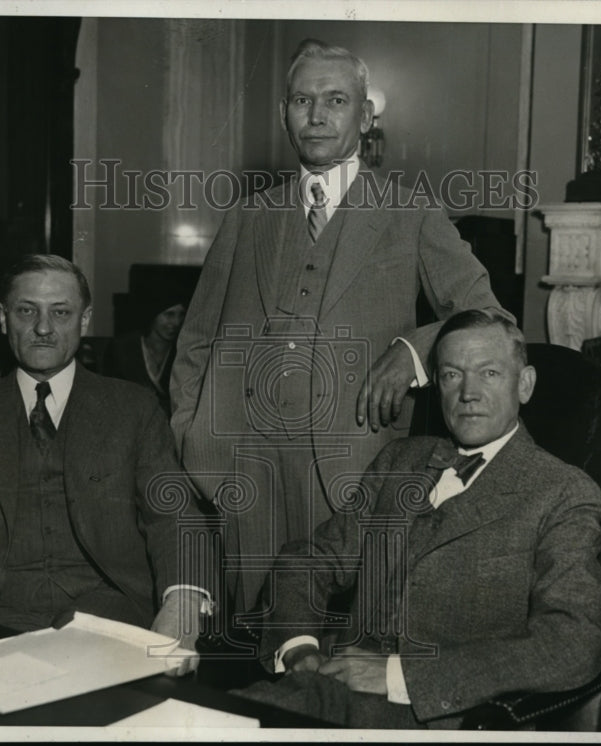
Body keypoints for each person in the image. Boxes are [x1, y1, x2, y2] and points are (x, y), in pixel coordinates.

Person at [170, 39, 508, 614]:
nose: (317, 114)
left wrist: (413, 353)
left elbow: (489, 315)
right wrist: (193, 437)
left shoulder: (410, 213)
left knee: (334, 654)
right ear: (284, 113)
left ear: (366, 116)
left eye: (336, 99)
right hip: (243, 470)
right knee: (256, 640)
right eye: (302, 99)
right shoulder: (249, 215)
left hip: (352, 474)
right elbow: (196, 340)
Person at [235, 309, 601, 728]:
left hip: (444, 717)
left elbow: (575, 640)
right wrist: (298, 647)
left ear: (524, 385)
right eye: (452, 375)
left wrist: (400, 676)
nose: (468, 392)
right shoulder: (401, 460)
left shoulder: (562, 492)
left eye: (488, 373)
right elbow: (310, 560)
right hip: (325, 687)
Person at [0, 255, 209, 674]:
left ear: (85, 319)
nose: (43, 328)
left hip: (104, 621)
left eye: (60, 312)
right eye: (26, 311)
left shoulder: (134, 410)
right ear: (4, 319)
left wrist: (183, 605)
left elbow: (176, 517)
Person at [104, 284, 189, 414]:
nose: (177, 322)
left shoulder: (183, 351)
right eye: (169, 314)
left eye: (181, 315)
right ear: (153, 315)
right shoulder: (123, 349)